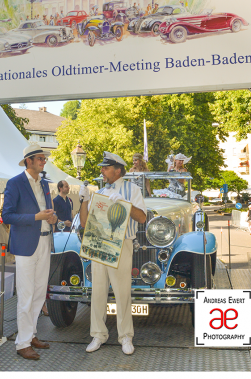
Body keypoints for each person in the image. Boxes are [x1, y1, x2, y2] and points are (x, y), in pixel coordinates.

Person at [79, 151, 147, 356]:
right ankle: (98, 334)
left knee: (122, 291)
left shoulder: (132, 189)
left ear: (118, 170)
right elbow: (84, 223)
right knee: (97, 291)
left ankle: (125, 336)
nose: (102, 170)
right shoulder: (99, 191)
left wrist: (124, 204)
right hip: (100, 243)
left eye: (105, 167)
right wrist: (83, 200)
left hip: (122, 243)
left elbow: (142, 218)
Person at [1, 143, 57, 360]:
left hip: (44, 242)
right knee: (25, 295)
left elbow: (48, 213)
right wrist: (37, 217)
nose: (44, 161)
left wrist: (52, 218)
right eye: (40, 158)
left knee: (39, 293)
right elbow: (7, 216)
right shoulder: (14, 183)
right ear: (29, 161)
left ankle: (31, 334)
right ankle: (22, 343)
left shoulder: (44, 184)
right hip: (25, 246)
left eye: (44, 158)